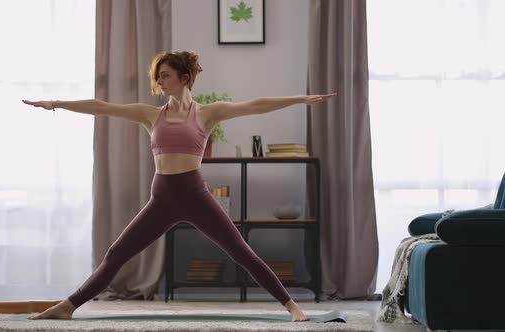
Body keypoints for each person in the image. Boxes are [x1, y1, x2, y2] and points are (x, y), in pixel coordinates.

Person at [22, 50, 336, 322]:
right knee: (116, 253)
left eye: (165, 75)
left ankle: (292, 306)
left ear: (184, 78)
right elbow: (101, 106)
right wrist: (56, 103)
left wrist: (301, 99)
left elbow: (255, 105)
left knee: (242, 252)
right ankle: (68, 306)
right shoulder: (150, 115)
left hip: (195, 195)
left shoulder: (207, 113)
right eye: (157, 76)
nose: (159, 82)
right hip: (162, 199)